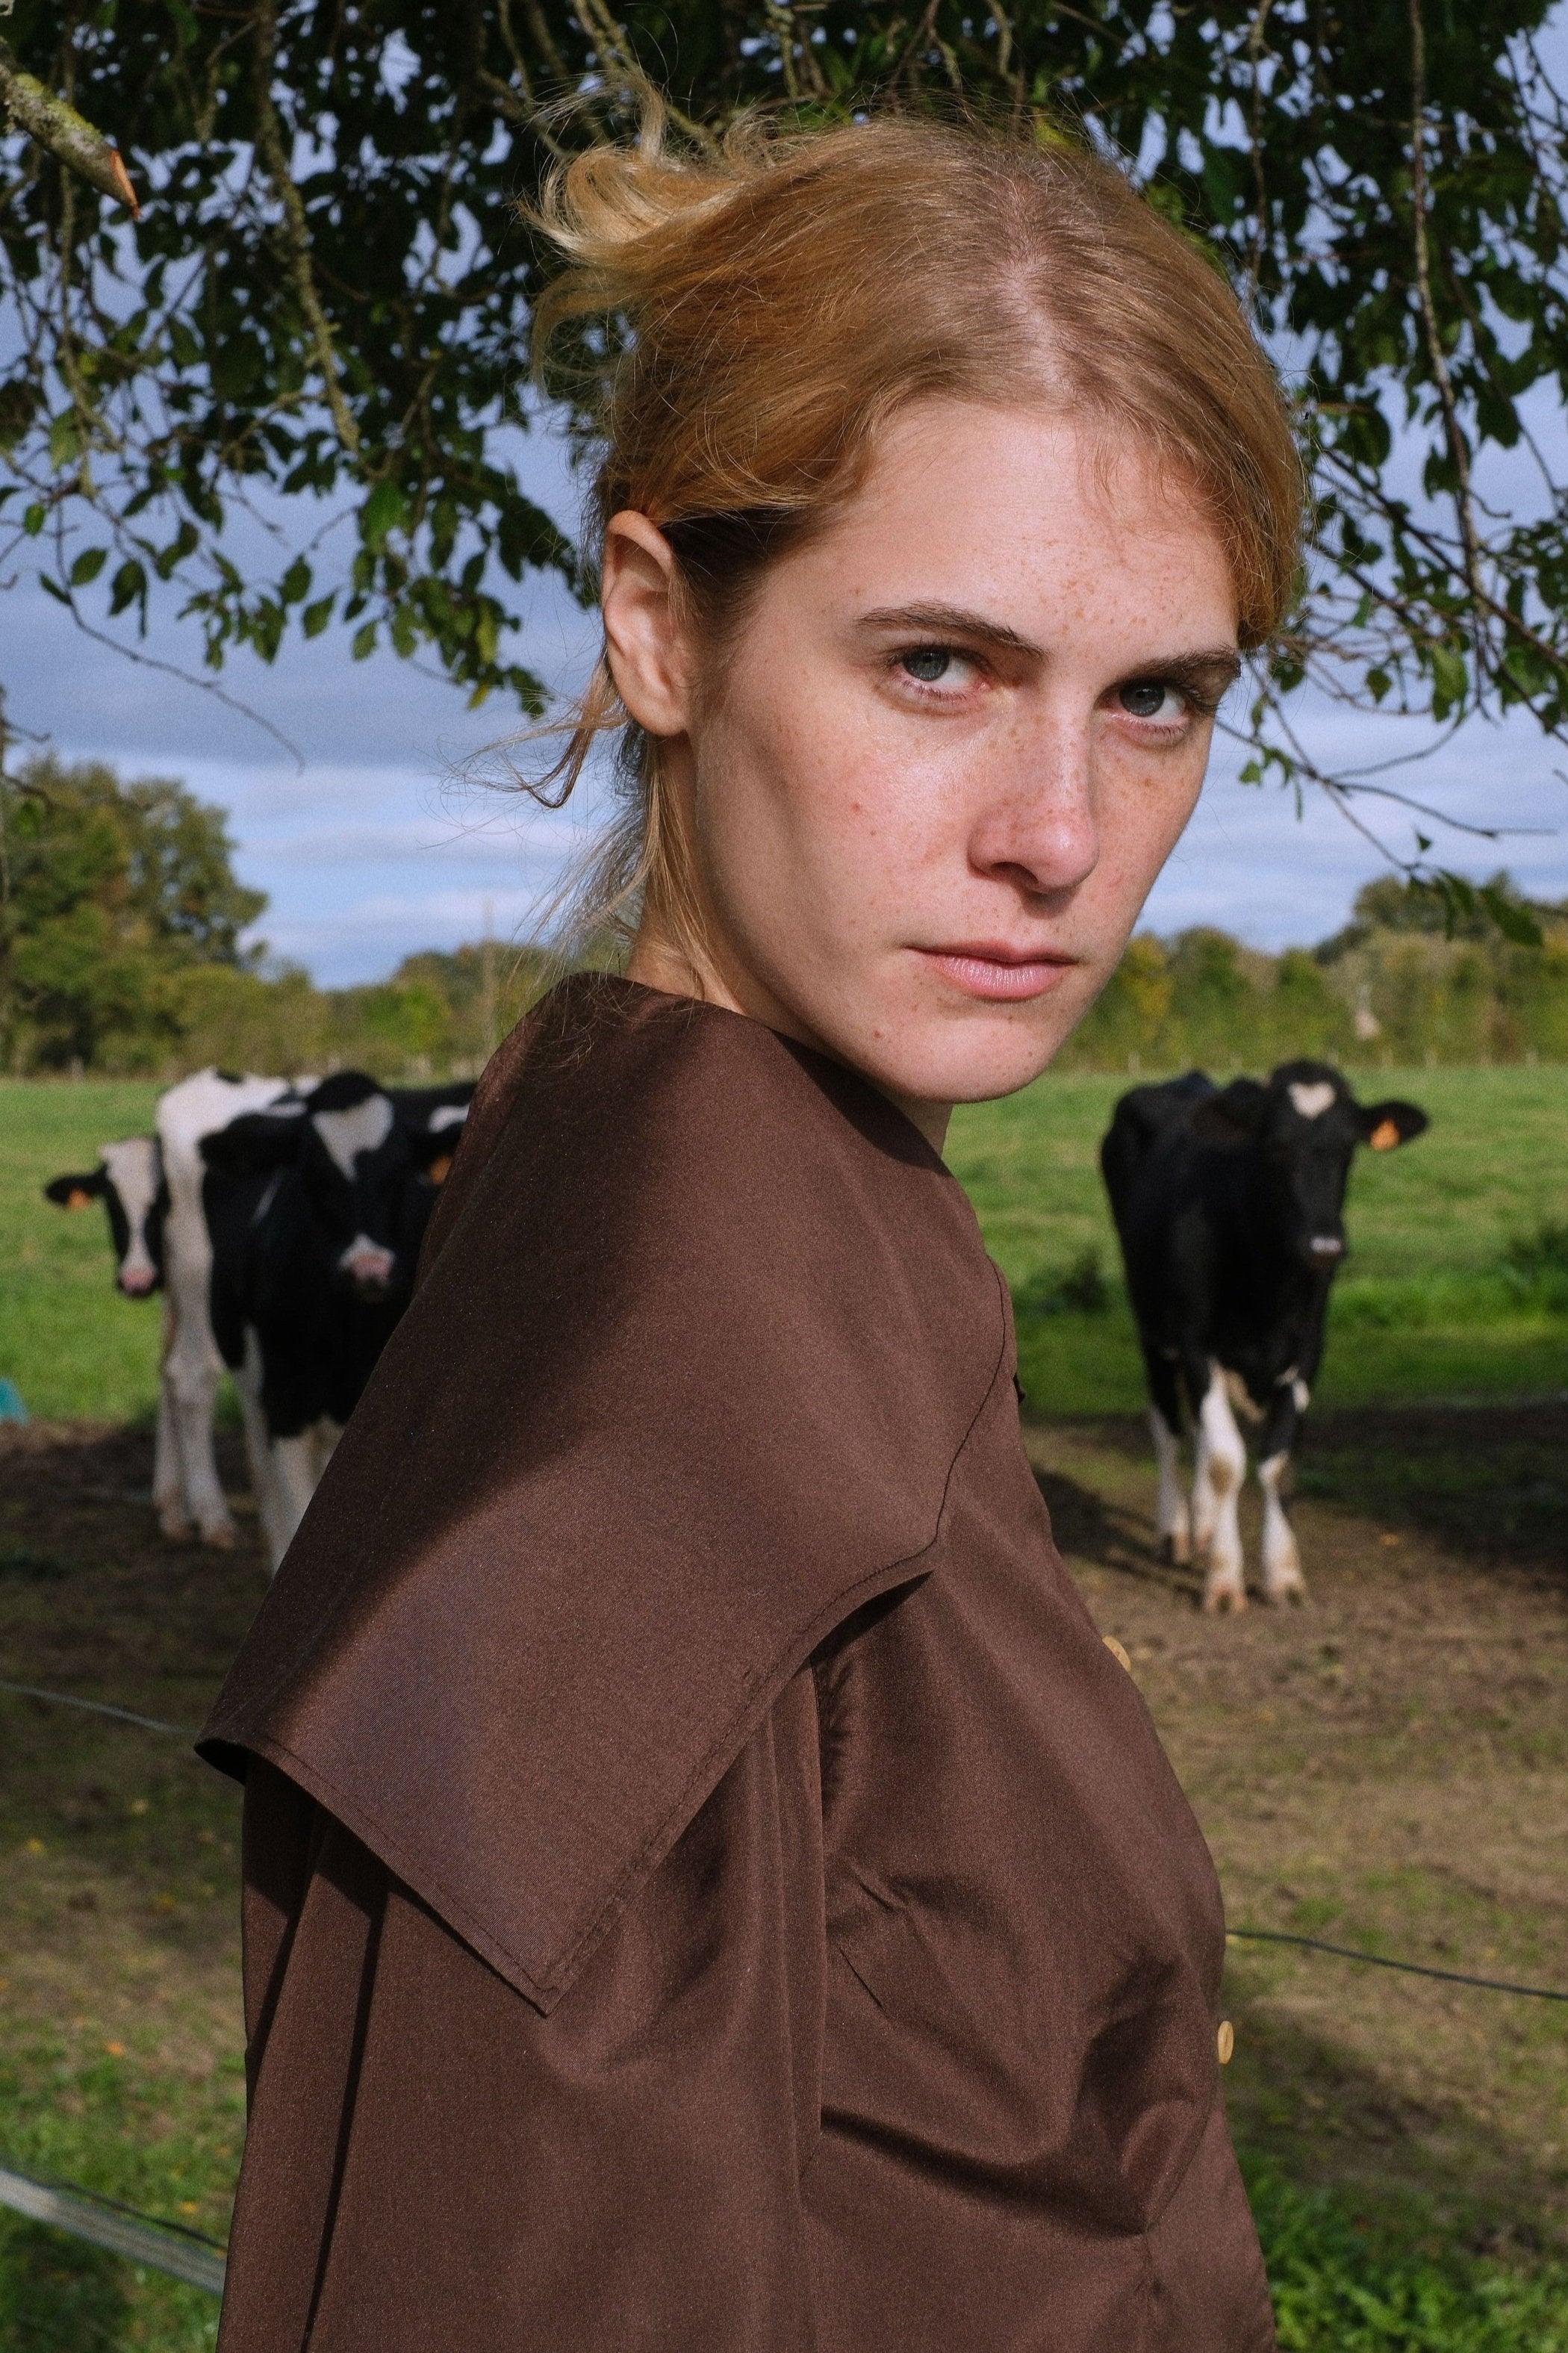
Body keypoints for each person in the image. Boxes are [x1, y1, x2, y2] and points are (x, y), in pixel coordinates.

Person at [201, 102, 1299, 2352]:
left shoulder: (780, 1226)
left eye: (1157, 699)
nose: (1061, 835)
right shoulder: (658, 1446)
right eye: (937, 666)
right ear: (657, 632)